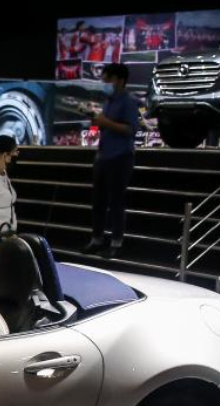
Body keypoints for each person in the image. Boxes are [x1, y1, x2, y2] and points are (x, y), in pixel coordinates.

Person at [85, 62, 140, 259]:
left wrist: (105, 122)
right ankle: (97, 239)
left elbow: (130, 130)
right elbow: (103, 125)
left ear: (120, 80)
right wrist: (95, 124)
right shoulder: (108, 101)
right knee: (98, 201)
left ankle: (117, 242)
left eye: (108, 78)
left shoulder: (129, 101)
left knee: (116, 201)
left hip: (120, 157)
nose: (105, 82)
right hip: (103, 156)